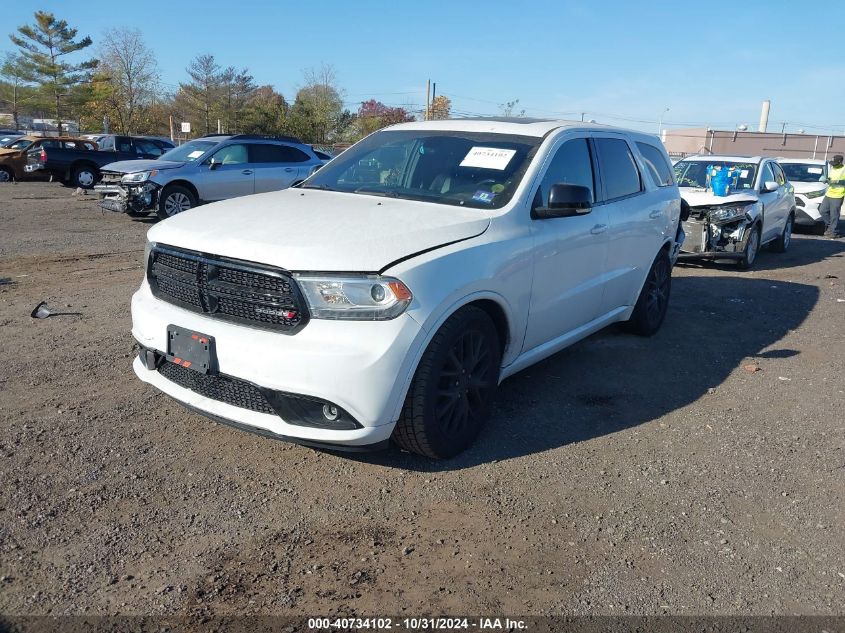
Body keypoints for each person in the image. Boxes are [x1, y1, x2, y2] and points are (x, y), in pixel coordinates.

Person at [819, 154, 845, 238]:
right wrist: (826, 180)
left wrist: (837, 181)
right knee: (822, 210)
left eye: (834, 163)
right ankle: (830, 227)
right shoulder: (833, 168)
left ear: (840, 162)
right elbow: (830, 178)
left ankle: (833, 232)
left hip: (838, 195)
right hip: (829, 193)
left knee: (834, 214)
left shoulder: (844, 169)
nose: (832, 164)